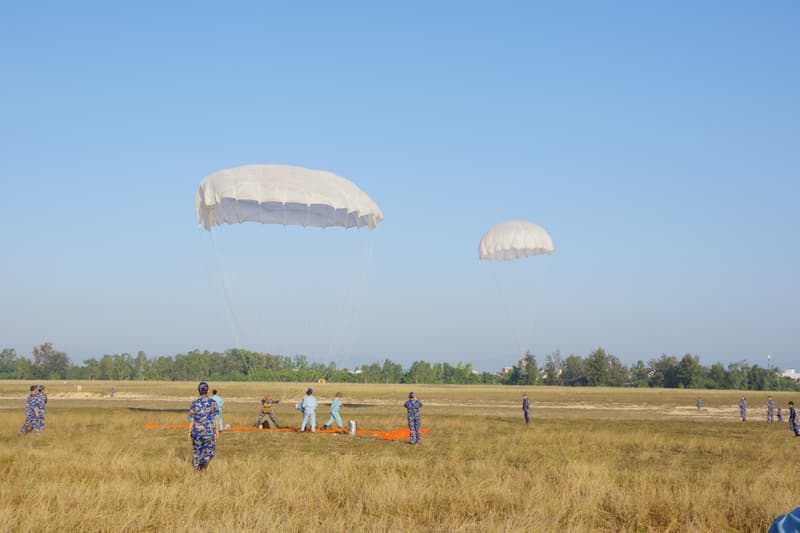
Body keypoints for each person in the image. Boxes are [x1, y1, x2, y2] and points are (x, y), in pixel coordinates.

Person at [188, 381, 220, 471]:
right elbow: (216, 418)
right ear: (208, 390)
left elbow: (191, 419)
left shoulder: (194, 403)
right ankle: (203, 466)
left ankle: (197, 469)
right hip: (209, 432)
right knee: (210, 452)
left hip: (196, 432)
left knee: (197, 453)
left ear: (198, 391)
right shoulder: (213, 403)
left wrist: (189, 432)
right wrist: (217, 430)